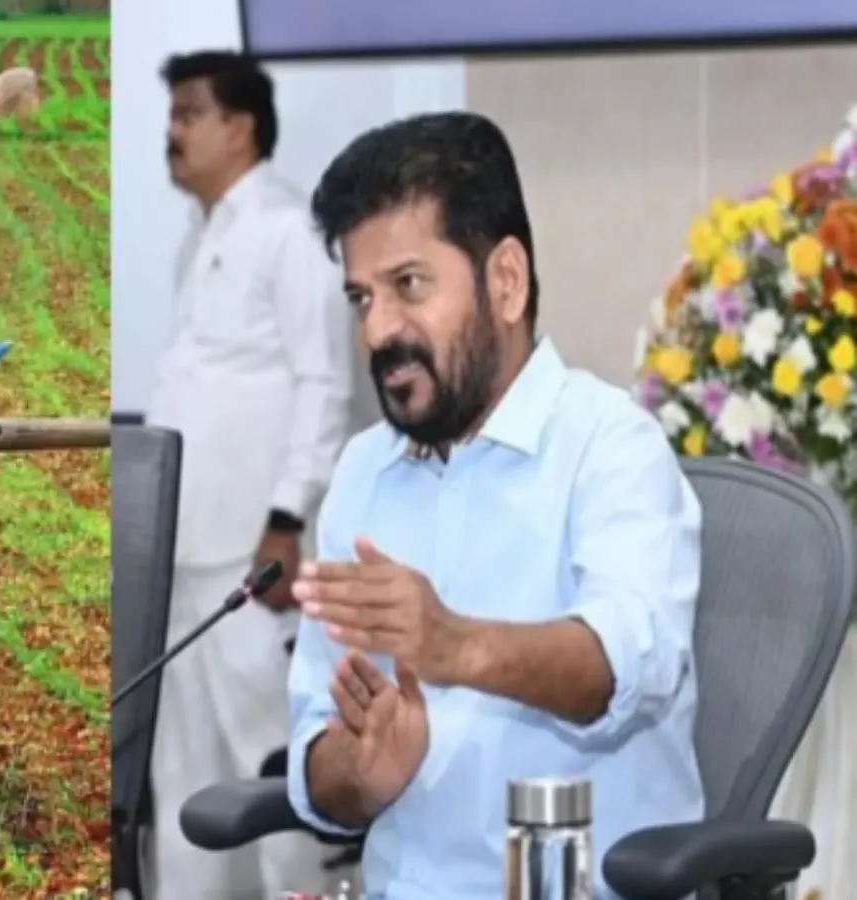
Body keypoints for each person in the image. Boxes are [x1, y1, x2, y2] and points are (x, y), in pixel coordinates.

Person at [285, 111, 705, 899]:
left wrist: (456, 645)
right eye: (360, 298)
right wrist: (359, 773)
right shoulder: (361, 473)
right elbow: (317, 748)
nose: (378, 331)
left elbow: (626, 662)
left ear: (504, 281)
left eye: (408, 286)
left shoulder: (612, 447)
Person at [144, 51, 355, 899]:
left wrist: (288, 518)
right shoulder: (201, 236)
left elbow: (325, 383)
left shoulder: (287, 228)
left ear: (240, 127)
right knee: (184, 775)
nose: (173, 130)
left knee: (271, 760)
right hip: (187, 553)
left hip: (251, 554)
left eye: (191, 113)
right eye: (174, 112)